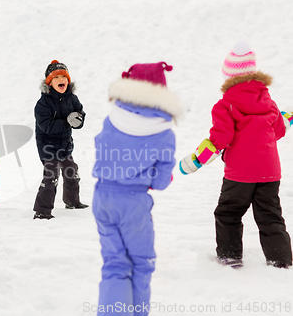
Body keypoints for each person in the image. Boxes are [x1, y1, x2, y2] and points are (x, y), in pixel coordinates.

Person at [181, 41, 292, 269]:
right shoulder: (268, 101)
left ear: (229, 77)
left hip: (239, 174)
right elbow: (278, 129)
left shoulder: (225, 105)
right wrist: (286, 118)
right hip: (270, 174)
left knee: (228, 213)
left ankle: (230, 256)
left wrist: (197, 160)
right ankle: (281, 260)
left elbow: (219, 139)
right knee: (270, 217)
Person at [92, 62, 182, 315]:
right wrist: (148, 174)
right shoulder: (164, 132)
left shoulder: (112, 119)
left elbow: (104, 155)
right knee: (141, 264)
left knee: (114, 263)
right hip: (133, 203)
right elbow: (162, 182)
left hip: (102, 197)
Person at [33, 60, 88, 220]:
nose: (61, 80)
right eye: (56, 77)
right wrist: (66, 122)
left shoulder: (72, 98)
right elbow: (46, 126)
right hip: (47, 147)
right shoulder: (43, 103)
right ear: (49, 82)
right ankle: (42, 210)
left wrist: (78, 120)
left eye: (64, 76)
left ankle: (72, 201)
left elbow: (79, 114)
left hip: (64, 145)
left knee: (72, 171)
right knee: (51, 176)